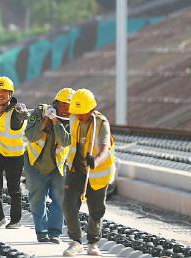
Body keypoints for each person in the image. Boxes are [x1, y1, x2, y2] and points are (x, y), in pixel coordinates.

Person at [62, 89, 115, 257]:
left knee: (96, 210)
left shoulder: (101, 123)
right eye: (76, 112)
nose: (78, 116)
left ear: (91, 110)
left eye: (82, 113)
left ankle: (92, 242)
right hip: (75, 170)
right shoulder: (73, 118)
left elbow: (105, 148)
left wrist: (96, 160)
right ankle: (75, 242)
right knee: (69, 206)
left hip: (96, 175)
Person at [24, 87, 73, 243]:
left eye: (69, 106)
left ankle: (54, 233)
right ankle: (42, 231)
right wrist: (45, 119)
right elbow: (31, 136)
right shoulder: (40, 111)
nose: (66, 109)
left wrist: (56, 122)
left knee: (60, 198)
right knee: (37, 198)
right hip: (35, 163)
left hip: (58, 165)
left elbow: (65, 141)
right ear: (56, 103)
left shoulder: (74, 121)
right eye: (63, 105)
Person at [0, 76, 29, 229]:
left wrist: (22, 113)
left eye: (5, 92)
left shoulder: (16, 112)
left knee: (14, 189)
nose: (1, 94)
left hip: (14, 156)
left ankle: (15, 220)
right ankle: (0, 218)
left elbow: (21, 117)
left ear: (11, 94)